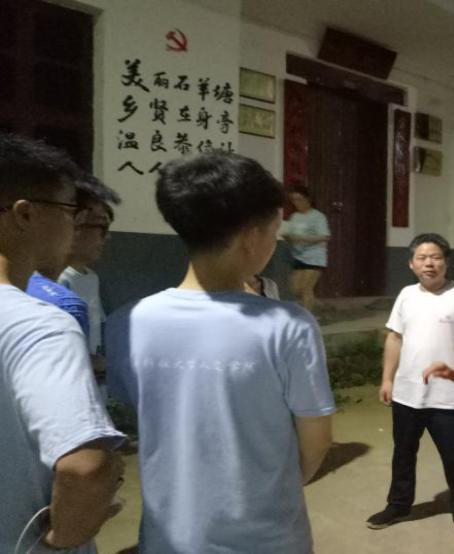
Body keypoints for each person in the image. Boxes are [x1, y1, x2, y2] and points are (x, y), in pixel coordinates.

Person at [106, 153, 335, 554]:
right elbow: (314, 443)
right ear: (252, 237)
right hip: (267, 539)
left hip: (167, 538)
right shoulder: (289, 325)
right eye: (275, 230)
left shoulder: (128, 321)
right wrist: (267, 493)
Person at [0, 132, 125, 553]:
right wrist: (59, 543)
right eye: (70, 210)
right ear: (25, 214)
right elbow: (86, 468)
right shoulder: (40, 325)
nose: (74, 226)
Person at [366, 233, 454, 533]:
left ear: (446, 262)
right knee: (403, 453)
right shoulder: (406, 295)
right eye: (422, 258)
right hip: (407, 394)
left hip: (448, 397)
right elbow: (395, 337)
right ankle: (398, 505)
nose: (428, 263)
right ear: (411, 264)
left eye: (435, 257)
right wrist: (387, 379)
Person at [59, 174, 122, 370]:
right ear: (74, 223)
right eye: (101, 226)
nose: (107, 237)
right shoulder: (56, 282)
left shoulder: (91, 278)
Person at [284, 186, 329, 311]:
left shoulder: (318, 216)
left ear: (308, 199)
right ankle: (314, 305)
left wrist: (302, 239)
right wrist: (289, 237)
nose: (296, 203)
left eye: (299, 199)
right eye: (294, 200)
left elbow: (324, 236)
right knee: (295, 289)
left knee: (306, 288)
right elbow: (291, 235)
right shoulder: (295, 216)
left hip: (314, 257)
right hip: (298, 256)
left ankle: (308, 316)